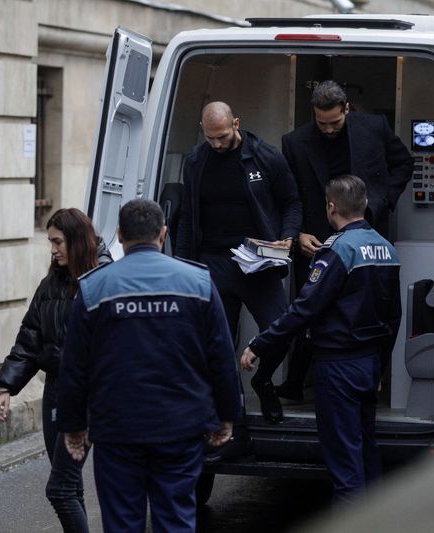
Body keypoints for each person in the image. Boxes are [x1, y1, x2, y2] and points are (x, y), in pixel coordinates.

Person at [58, 199, 241, 532]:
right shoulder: (198, 283)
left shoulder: (94, 287)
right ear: (163, 234)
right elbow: (221, 357)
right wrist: (226, 416)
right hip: (180, 427)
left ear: (120, 236)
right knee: (175, 519)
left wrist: (74, 426)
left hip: (117, 429)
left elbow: (74, 366)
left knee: (122, 522)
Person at [241, 175, 401, 503]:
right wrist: (381, 369)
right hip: (369, 364)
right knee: (366, 450)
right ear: (365, 205)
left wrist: (260, 343)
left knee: (344, 464)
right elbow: (393, 318)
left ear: (331, 208)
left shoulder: (337, 250)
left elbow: (305, 309)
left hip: (339, 367)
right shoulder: (387, 249)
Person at [278, 80, 413, 401]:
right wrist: (296, 234)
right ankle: (296, 382)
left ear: (347, 109)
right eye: (321, 123)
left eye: (334, 123)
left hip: (365, 230)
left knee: (370, 309)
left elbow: (403, 164)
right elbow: (289, 195)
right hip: (315, 238)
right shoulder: (295, 142)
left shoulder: (374, 127)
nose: (327, 130)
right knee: (309, 308)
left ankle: (373, 378)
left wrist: (378, 203)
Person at [175, 102, 302, 438]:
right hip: (212, 262)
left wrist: (287, 238)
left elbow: (292, 201)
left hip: (256, 259)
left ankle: (263, 382)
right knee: (215, 342)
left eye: (222, 136)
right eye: (210, 137)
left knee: (281, 328)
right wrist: (184, 268)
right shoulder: (196, 161)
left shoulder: (265, 156)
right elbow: (187, 217)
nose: (216, 144)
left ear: (236, 123)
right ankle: (228, 412)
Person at [0, 208, 110, 533]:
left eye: (58, 242)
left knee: (58, 488)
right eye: (50, 242)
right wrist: (6, 387)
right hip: (55, 391)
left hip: (86, 396)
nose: (53, 249)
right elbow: (29, 338)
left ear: (76, 240)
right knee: (71, 488)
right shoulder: (51, 282)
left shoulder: (104, 279)